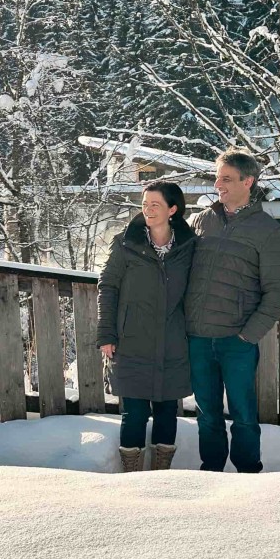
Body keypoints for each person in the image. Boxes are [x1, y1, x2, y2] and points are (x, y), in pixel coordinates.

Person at [185, 150, 280, 473]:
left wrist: (248, 336)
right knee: (207, 415)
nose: (218, 184)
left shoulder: (267, 230)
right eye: (217, 178)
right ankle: (211, 474)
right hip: (198, 338)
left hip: (237, 341)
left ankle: (248, 476)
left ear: (248, 181)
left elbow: (276, 291)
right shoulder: (201, 221)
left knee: (243, 416)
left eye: (226, 179)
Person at [96, 181, 195, 472]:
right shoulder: (126, 244)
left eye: (155, 204)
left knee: (167, 412)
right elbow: (108, 286)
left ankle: (160, 476)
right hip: (132, 341)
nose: (148, 210)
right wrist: (106, 334)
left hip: (173, 342)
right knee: (135, 413)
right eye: (144, 204)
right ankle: (131, 476)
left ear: (172, 210)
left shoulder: (189, 247)